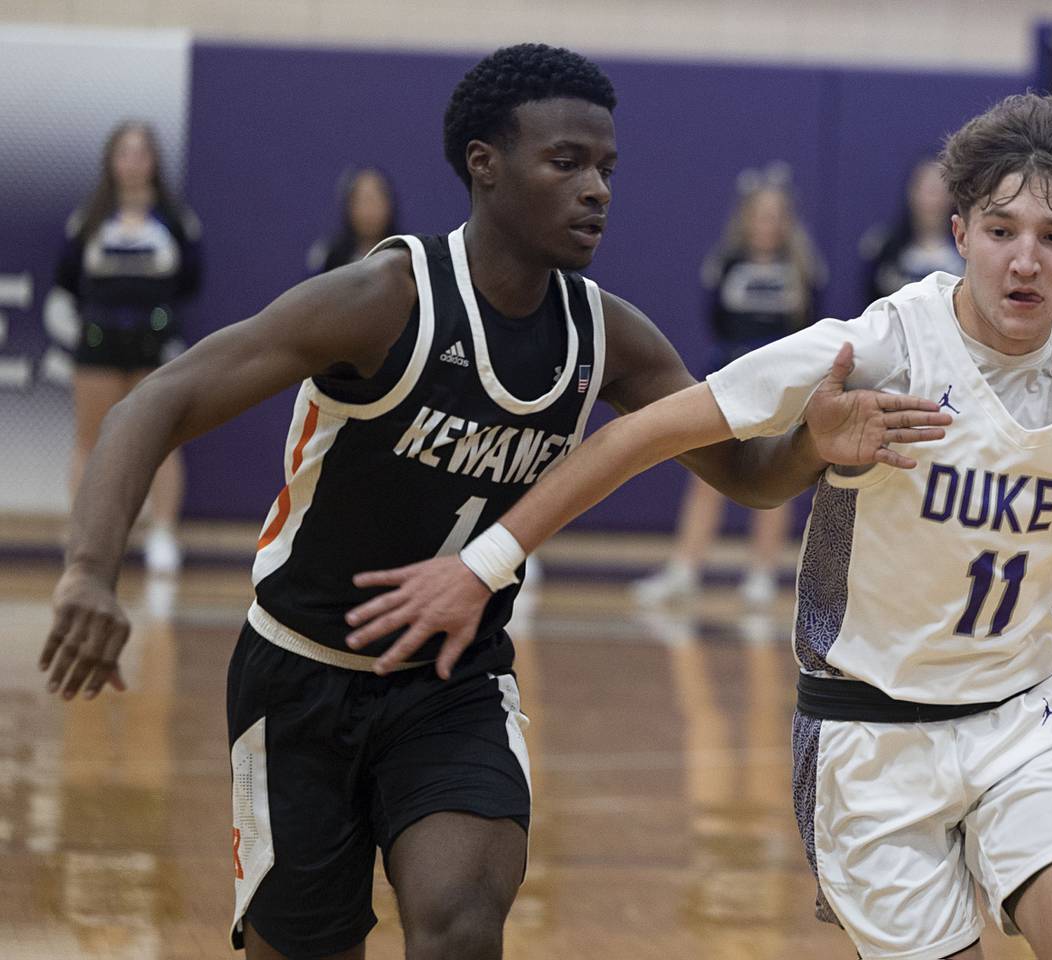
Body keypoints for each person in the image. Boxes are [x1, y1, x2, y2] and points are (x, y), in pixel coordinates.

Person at [345, 92, 1052, 960]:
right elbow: (642, 432)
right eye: (1001, 230)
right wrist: (483, 563)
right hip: (871, 737)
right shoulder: (880, 348)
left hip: (1021, 725)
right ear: (960, 233)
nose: (1025, 259)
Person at [40, 44, 944, 960]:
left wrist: (811, 447)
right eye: (567, 163)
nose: (596, 189)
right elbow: (155, 401)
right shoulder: (383, 299)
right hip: (302, 671)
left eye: (607, 168)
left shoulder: (607, 335)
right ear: (485, 164)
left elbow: (746, 474)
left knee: (463, 921)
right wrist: (87, 570)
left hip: (454, 682)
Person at [632, 166, 826, 605]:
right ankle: (685, 569)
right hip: (730, 380)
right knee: (707, 474)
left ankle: (762, 573)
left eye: (775, 216)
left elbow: (811, 326)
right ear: (745, 218)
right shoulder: (726, 262)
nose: (767, 225)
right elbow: (716, 320)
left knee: (774, 476)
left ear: (787, 221)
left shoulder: (803, 268)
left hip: (782, 386)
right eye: (760, 215)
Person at [54, 120, 202, 575]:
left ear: (154, 162)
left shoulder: (175, 219)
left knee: (160, 439)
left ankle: (162, 532)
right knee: (91, 439)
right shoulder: (89, 219)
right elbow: (67, 277)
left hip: (153, 342)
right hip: (98, 342)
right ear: (111, 161)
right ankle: (85, 537)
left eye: (142, 153)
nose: (133, 162)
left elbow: (191, 278)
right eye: (125, 152)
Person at [860, 156, 966, 303]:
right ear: (911, 192)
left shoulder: (966, 250)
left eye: (937, 190)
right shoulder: (884, 248)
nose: (930, 200)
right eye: (924, 189)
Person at [308, 166, 401, 274]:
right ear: (348, 207)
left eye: (374, 200)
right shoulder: (331, 256)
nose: (369, 210)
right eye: (362, 201)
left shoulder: (405, 252)